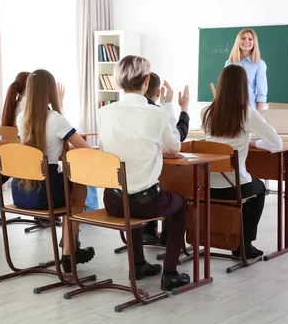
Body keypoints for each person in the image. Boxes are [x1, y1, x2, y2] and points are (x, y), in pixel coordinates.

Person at [97, 55, 190, 291]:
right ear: (147, 81)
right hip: (146, 203)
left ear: (118, 82)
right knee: (179, 204)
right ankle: (170, 272)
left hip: (113, 201)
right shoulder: (156, 114)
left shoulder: (105, 112)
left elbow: (104, 148)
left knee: (131, 194)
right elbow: (174, 147)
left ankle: (138, 264)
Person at [12, 69, 94, 273]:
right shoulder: (56, 119)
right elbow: (86, 149)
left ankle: (71, 247)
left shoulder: (22, 117)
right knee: (79, 188)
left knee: (69, 189)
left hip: (22, 191)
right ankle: (69, 252)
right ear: (50, 91)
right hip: (46, 193)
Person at [202, 65, 282, 258]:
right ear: (244, 86)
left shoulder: (206, 112)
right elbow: (276, 144)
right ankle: (244, 244)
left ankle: (232, 238)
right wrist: (256, 142)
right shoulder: (247, 112)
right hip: (234, 186)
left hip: (205, 185)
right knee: (259, 188)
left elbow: (214, 143)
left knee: (249, 186)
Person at [143, 72, 190, 243]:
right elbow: (176, 140)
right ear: (157, 93)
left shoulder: (123, 113)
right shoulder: (157, 114)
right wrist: (178, 108)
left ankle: (147, 231)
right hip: (150, 189)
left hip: (125, 189)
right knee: (171, 189)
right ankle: (168, 244)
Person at [225, 28, 268, 110]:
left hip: (250, 110)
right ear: (238, 41)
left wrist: (259, 116)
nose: (246, 41)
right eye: (243, 38)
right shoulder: (229, 63)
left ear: (254, 42)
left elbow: (261, 94)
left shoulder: (259, 64)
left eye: (250, 39)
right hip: (230, 109)